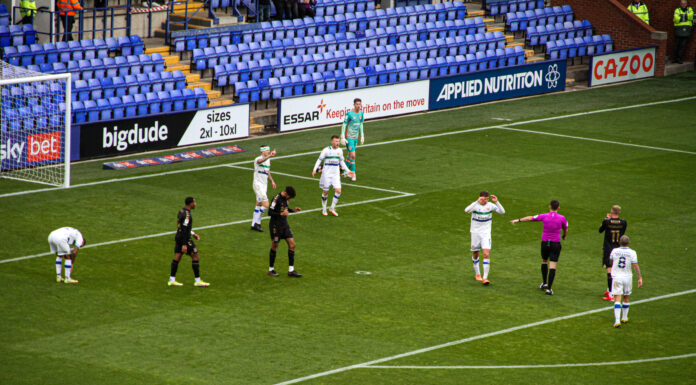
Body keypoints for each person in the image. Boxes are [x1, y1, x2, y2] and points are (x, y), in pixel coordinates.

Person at [510, 199, 568, 296]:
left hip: (545, 243)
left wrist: (518, 220)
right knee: (553, 265)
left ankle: (544, 283)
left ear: (549, 207)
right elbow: (565, 228)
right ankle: (549, 289)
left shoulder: (544, 216)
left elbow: (530, 218)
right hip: (555, 244)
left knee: (544, 261)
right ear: (558, 207)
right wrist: (564, 235)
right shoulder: (562, 218)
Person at [464, 191, 505, 285]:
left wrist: (496, 202)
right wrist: (476, 201)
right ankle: (477, 274)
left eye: (487, 199)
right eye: (484, 199)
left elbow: (502, 212)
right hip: (475, 233)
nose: (486, 201)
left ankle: (485, 278)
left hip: (486, 233)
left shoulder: (490, 205)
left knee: (486, 254)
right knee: (476, 253)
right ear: (480, 198)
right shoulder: (475, 205)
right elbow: (466, 210)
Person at [169, 197, 210, 287]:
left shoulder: (181, 211)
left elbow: (183, 227)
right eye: (194, 202)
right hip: (185, 239)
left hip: (179, 236)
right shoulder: (187, 215)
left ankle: (172, 280)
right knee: (195, 256)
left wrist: (193, 233)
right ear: (191, 203)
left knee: (177, 257)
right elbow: (184, 229)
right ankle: (198, 281)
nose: (195, 204)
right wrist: (184, 244)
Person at [312, 135, 352, 217]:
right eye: (336, 141)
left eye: (338, 141)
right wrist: (314, 169)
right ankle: (324, 209)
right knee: (325, 192)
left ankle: (332, 208)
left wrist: (348, 171)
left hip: (336, 175)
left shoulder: (340, 151)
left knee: (338, 191)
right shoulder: (326, 150)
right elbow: (319, 160)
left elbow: (342, 162)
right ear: (332, 142)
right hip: (326, 174)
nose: (338, 143)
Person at [268, 186, 303, 277]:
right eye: (290, 197)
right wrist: (281, 214)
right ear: (286, 194)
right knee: (275, 245)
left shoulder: (286, 199)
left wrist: (292, 210)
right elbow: (270, 212)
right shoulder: (276, 199)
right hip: (275, 226)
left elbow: (285, 210)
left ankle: (291, 270)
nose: (290, 199)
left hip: (284, 225)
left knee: (292, 245)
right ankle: (271, 269)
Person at [609, 235, 643, 328]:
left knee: (617, 299)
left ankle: (617, 321)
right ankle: (624, 317)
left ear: (619, 242)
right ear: (629, 243)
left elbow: (611, 262)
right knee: (626, 297)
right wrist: (639, 278)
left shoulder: (614, 251)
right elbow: (635, 266)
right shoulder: (632, 252)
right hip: (628, 277)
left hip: (617, 277)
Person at [599, 205, 627, 301]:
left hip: (608, 249)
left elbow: (600, 230)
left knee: (609, 270)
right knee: (614, 269)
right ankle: (609, 289)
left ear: (611, 211)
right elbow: (622, 232)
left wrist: (606, 219)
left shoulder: (607, 222)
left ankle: (611, 294)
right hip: (618, 248)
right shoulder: (623, 222)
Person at [250, 145, 277, 232]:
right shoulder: (258, 159)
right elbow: (260, 161)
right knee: (266, 205)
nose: (268, 152)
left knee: (259, 204)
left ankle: (253, 224)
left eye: (269, 150)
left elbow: (267, 172)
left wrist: (272, 181)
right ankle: (257, 223)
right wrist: (270, 156)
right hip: (258, 185)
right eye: (267, 150)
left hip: (264, 185)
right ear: (262, 151)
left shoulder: (268, 160)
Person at [340, 98, 365, 182]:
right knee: (353, 155)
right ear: (354, 105)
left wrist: (362, 135)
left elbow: (361, 123)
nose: (358, 106)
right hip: (349, 137)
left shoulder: (361, 113)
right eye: (357, 104)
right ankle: (353, 174)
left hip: (355, 137)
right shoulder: (349, 114)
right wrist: (343, 136)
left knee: (350, 156)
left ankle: (346, 171)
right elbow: (344, 124)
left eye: (359, 104)